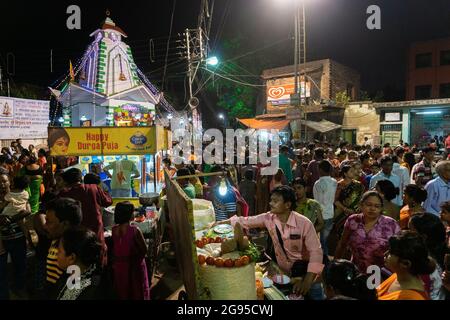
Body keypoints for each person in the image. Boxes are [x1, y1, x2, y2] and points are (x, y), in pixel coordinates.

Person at [213, 186, 324, 299]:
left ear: (287, 205)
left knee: (314, 296)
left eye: (275, 201)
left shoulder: (304, 223)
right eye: (271, 200)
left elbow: (316, 252)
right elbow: (247, 221)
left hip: (306, 273)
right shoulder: (268, 218)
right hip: (284, 274)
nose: (271, 203)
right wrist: (222, 222)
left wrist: (308, 281)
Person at [335, 191, 400, 273]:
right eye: (369, 205)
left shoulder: (391, 224)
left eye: (377, 206)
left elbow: (398, 251)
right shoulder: (353, 220)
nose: (372, 209)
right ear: (361, 205)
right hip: (356, 272)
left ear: (381, 208)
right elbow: (342, 244)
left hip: (381, 274)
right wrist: (335, 264)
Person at [59, 168, 112, 264]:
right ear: (81, 178)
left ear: (66, 181)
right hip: (96, 237)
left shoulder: (63, 194)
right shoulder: (93, 188)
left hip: (76, 241)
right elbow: (108, 201)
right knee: (97, 269)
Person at [377, 231, 435, 300]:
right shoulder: (397, 276)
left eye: (391, 252)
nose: (385, 253)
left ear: (405, 263)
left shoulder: (413, 298)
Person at [44, 197, 82, 298]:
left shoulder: (73, 250)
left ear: (65, 224)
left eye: (49, 221)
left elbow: (73, 290)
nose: (45, 225)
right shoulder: (56, 240)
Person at [0, 173, 30, 300]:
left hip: (18, 237)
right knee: (2, 271)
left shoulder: (20, 195)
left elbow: (27, 210)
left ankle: (18, 288)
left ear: (9, 182)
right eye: (0, 182)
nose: (2, 184)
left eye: (4, 181)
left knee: (20, 265)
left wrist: (10, 218)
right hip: (1, 241)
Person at [111, 202, 150, 300]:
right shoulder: (135, 230)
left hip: (120, 267)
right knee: (138, 291)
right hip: (134, 267)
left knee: (123, 291)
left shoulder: (114, 230)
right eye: (133, 212)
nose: (134, 214)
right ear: (128, 214)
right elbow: (144, 250)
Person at [56, 227, 105, 300]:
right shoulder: (69, 274)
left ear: (71, 258)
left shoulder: (93, 291)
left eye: (59, 251)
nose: (56, 254)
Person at [409, 213, 448, 300]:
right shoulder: (440, 255)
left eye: (410, 231)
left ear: (423, 237)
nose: (404, 233)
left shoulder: (424, 264)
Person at [313, 160, 337, 257]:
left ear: (320, 170)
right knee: (325, 240)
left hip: (321, 215)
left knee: (322, 241)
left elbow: (316, 201)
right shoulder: (334, 182)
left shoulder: (318, 183)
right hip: (330, 212)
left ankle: (324, 260)